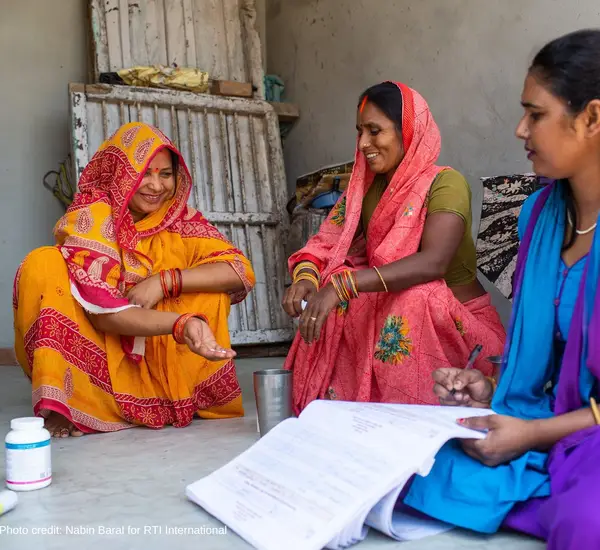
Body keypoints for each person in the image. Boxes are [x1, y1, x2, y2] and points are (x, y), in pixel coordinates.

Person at [400, 30, 600, 549]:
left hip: (581, 428)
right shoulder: (539, 215)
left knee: (585, 522)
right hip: (554, 418)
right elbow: (554, 356)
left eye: (536, 114)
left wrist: (530, 434)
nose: (520, 129)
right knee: (409, 473)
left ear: (593, 119)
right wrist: (493, 386)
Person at [13, 122, 256, 438]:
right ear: (120, 173)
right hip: (108, 345)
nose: (156, 186)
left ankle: (174, 396)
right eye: (145, 173)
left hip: (160, 350)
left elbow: (239, 270)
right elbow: (104, 315)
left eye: (165, 174)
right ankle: (74, 403)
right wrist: (182, 324)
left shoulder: (180, 220)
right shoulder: (92, 218)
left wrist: (165, 281)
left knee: (208, 284)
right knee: (42, 263)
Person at [282, 81, 506, 413]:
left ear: (409, 131)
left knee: (413, 296)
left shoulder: (445, 182)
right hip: (396, 310)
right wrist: (307, 278)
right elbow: (328, 242)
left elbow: (433, 263)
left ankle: (411, 410)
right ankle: (346, 409)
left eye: (375, 131)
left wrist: (342, 286)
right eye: (360, 132)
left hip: (458, 327)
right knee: (338, 295)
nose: (363, 144)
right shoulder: (365, 190)